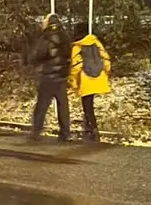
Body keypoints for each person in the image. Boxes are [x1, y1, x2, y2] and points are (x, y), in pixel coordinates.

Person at [28, 13, 71, 141]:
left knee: (42, 105)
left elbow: (37, 55)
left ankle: (36, 130)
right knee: (63, 105)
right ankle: (65, 132)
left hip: (48, 76)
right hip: (61, 76)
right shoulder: (64, 37)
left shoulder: (45, 38)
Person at [70, 23, 112, 142]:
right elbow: (106, 59)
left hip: (85, 78)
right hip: (98, 76)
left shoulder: (77, 47)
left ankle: (92, 128)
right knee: (89, 104)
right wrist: (106, 73)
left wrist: (74, 83)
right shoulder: (97, 43)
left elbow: (75, 67)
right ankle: (89, 125)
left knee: (87, 105)